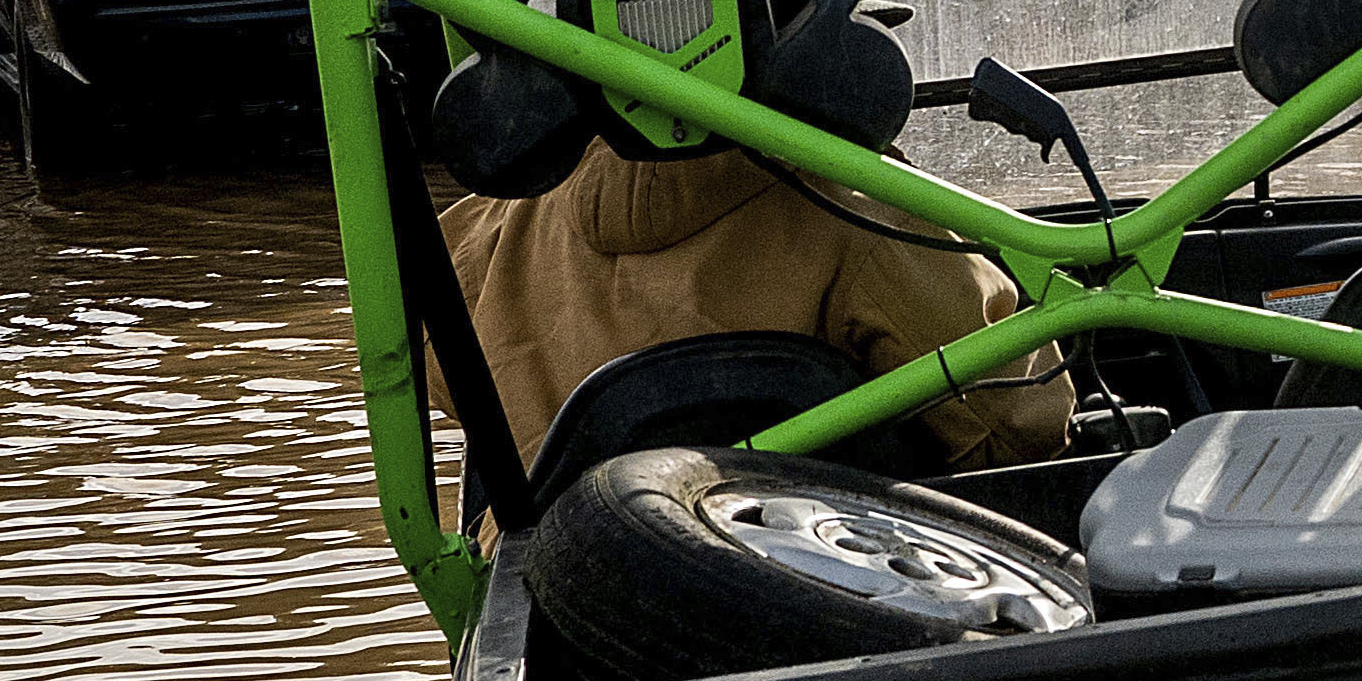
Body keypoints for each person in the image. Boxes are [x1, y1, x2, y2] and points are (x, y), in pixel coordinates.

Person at [442, 144, 1078, 477]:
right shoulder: (863, 211)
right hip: (831, 593)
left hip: (565, 609)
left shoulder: (489, 228)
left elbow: (434, 379)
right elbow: (1014, 428)